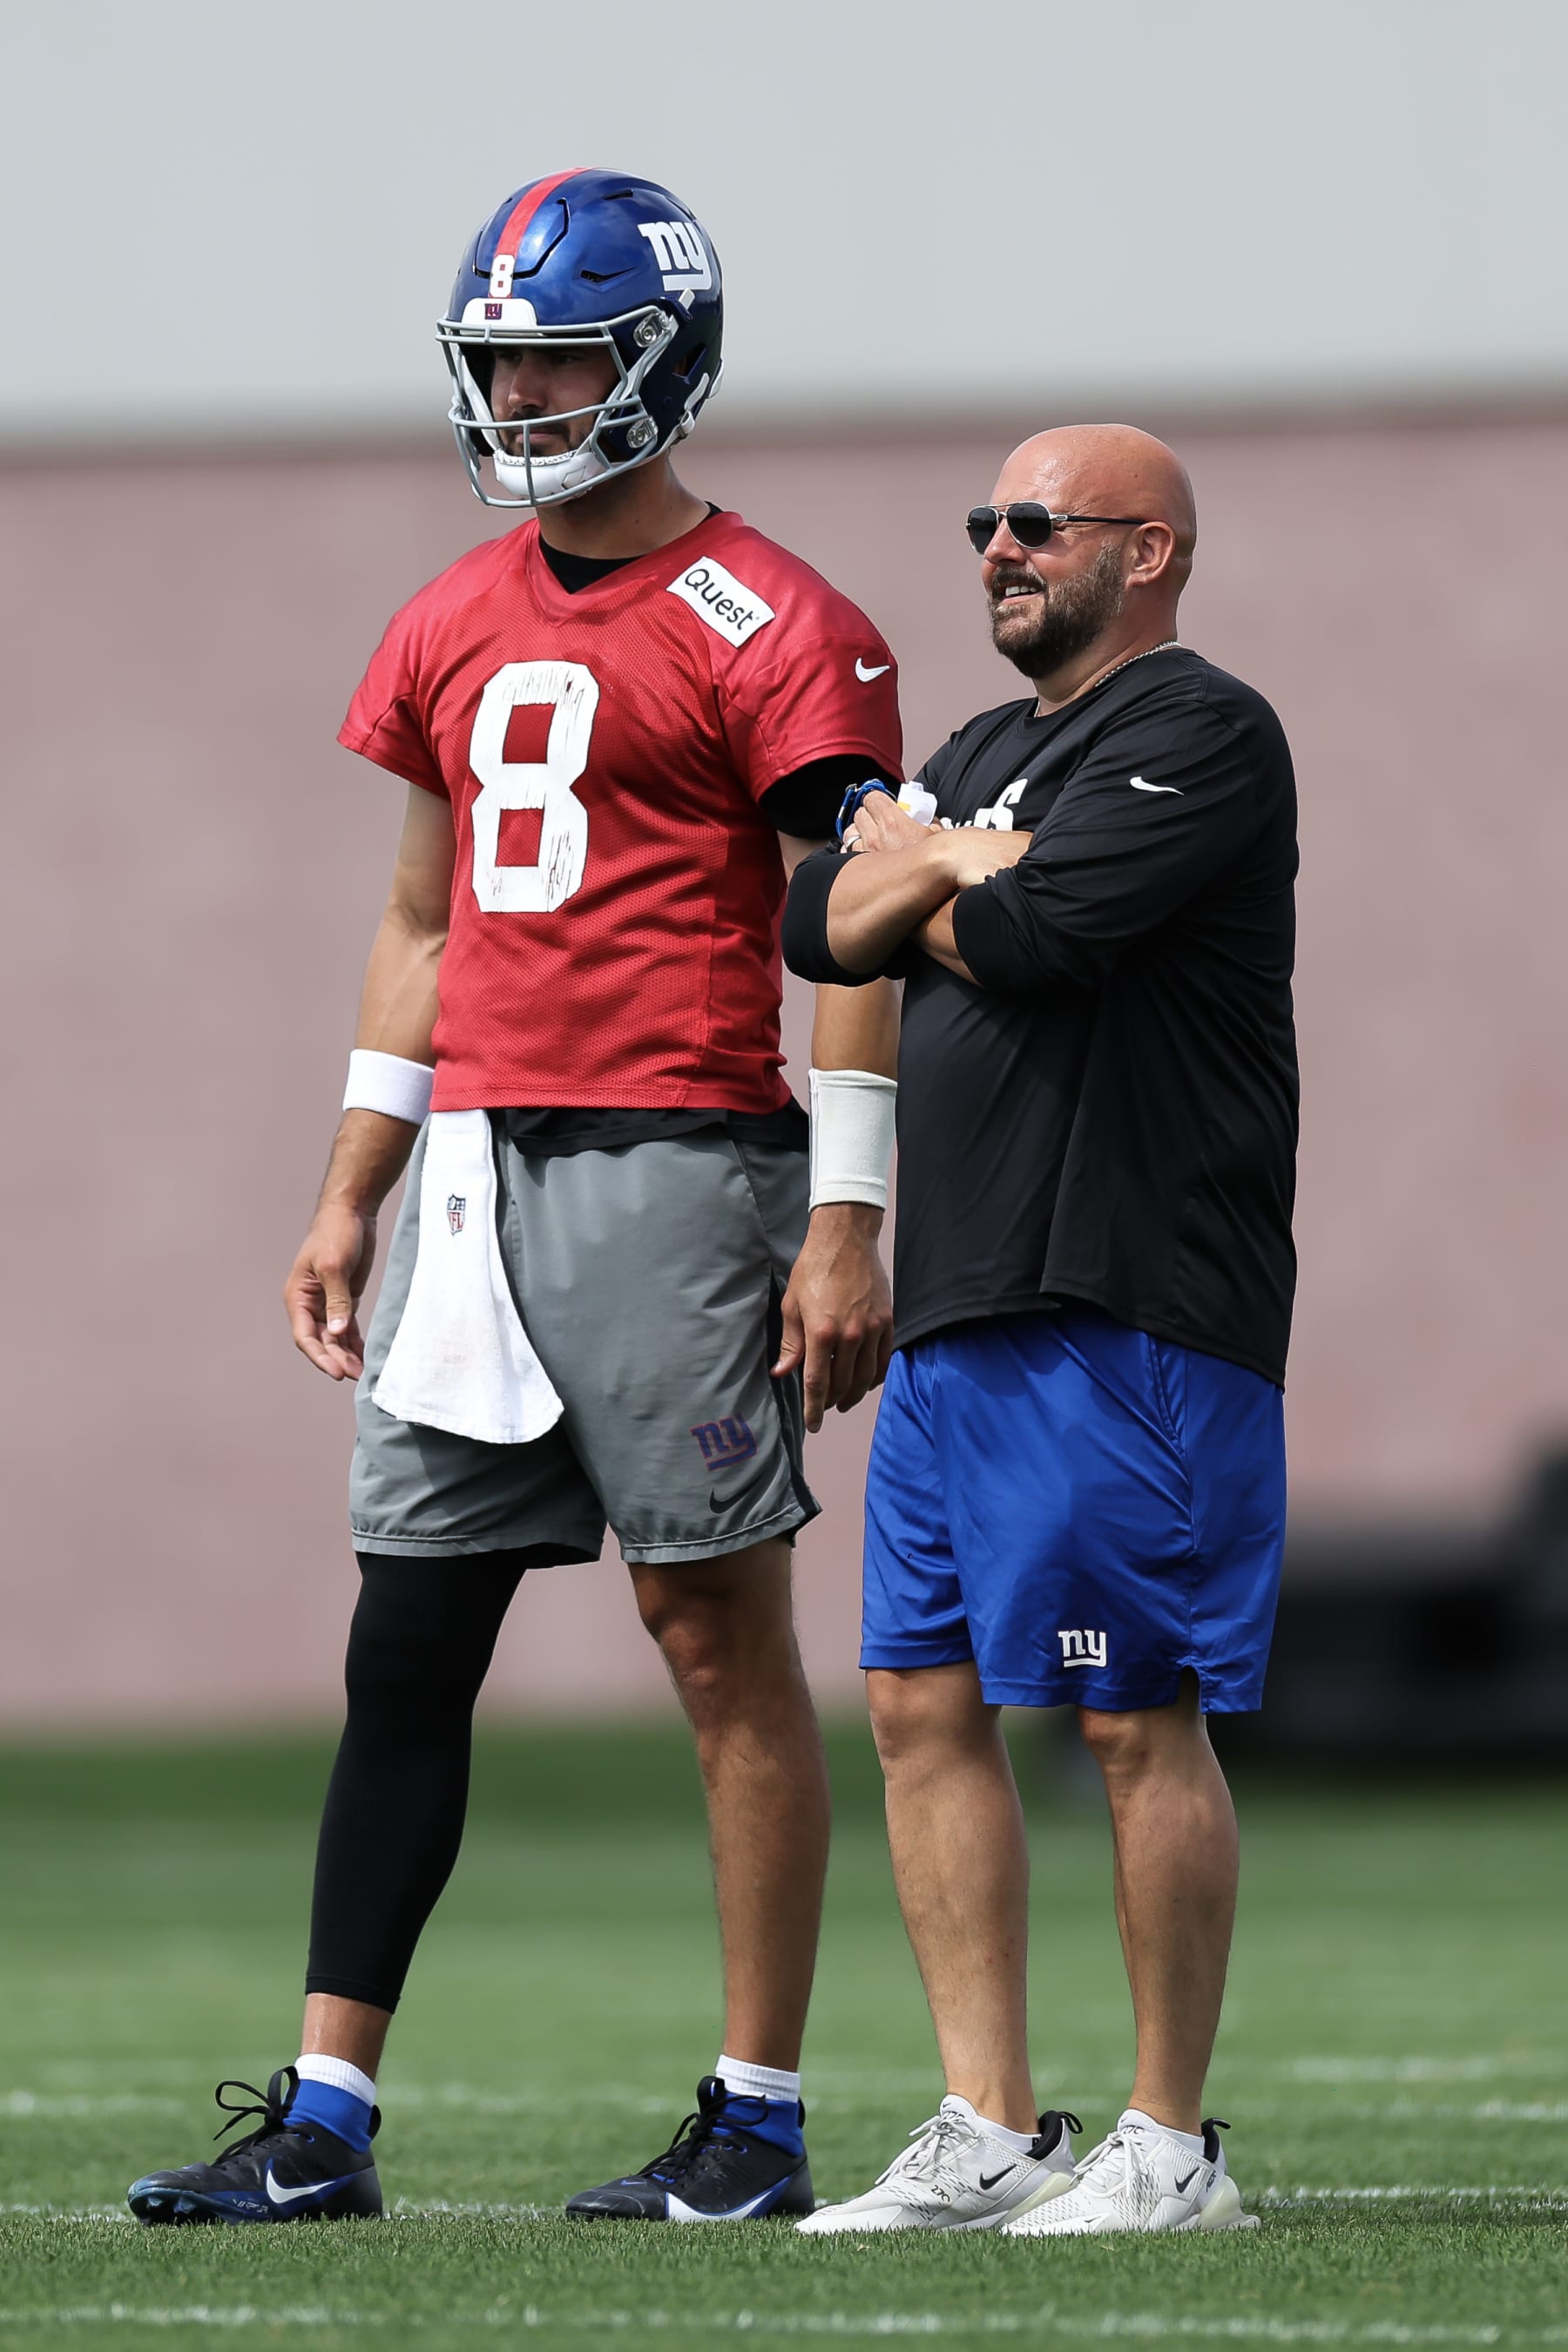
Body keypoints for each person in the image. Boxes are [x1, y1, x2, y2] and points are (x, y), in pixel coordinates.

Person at [127, 168, 903, 2228]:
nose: (526, 395)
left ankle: (755, 2120)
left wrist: (847, 1218)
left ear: (664, 360)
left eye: (561, 357)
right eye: (503, 361)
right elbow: (423, 922)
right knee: (408, 1633)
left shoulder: (777, 618)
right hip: (471, 1176)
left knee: (712, 1629)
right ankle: (324, 2118)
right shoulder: (450, 614)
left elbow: (859, 925)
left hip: (677, 1158)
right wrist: (349, 1191)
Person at [781, 424, 1297, 2236]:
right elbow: (818, 926)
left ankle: (1169, 2145)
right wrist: (961, 857)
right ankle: (988, 2126)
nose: (998, 549)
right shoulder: (977, 756)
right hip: (962, 1300)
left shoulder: (1204, 729)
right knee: (918, 1704)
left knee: (1130, 1714)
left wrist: (927, 873)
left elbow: (1052, 933)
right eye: (984, 524)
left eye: (1037, 524)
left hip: (1127, 1292)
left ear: (1146, 552)